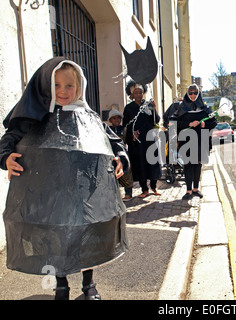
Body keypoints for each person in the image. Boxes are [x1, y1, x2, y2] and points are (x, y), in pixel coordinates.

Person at [0, 57, 129, 300]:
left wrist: (121, 157)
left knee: (87, 235)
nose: (62, 91)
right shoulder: (36, 116)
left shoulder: (89, 117)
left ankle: (89, 285)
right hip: (51, 194)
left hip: (84, 193)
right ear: (47, 86)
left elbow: (113, 142)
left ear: (79, 86)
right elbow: (10, 137)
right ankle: (61, 285)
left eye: (69, 86)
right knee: (56, 240)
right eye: (57, 85)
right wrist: (6, 157)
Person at [172, 84, 217, 200]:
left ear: (199, 93)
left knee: (197, 165)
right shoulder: (182, 108)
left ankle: (196, 189)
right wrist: (189, 124)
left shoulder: (204, 107)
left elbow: (213, 122)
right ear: (187, 94)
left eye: (195, 93)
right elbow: (175, 124)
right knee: (188, 165)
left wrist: (205, 124)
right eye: (191, 93)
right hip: (186, 141)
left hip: (201, 141)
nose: (193, 95)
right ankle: (188, 190)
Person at [123, 80, 161, 198]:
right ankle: (144, 189)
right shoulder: (128, 108)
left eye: (140, 92)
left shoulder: (148, 105)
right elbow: (126, 125)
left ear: (143, 92)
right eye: (136, 93)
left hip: (150, 139)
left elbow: (156, 120)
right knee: (141, 165)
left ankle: (154, 187)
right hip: (138, 143)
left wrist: (154, 109)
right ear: (132, 95)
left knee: (153, 163)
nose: (139, 95)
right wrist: (132, 133)